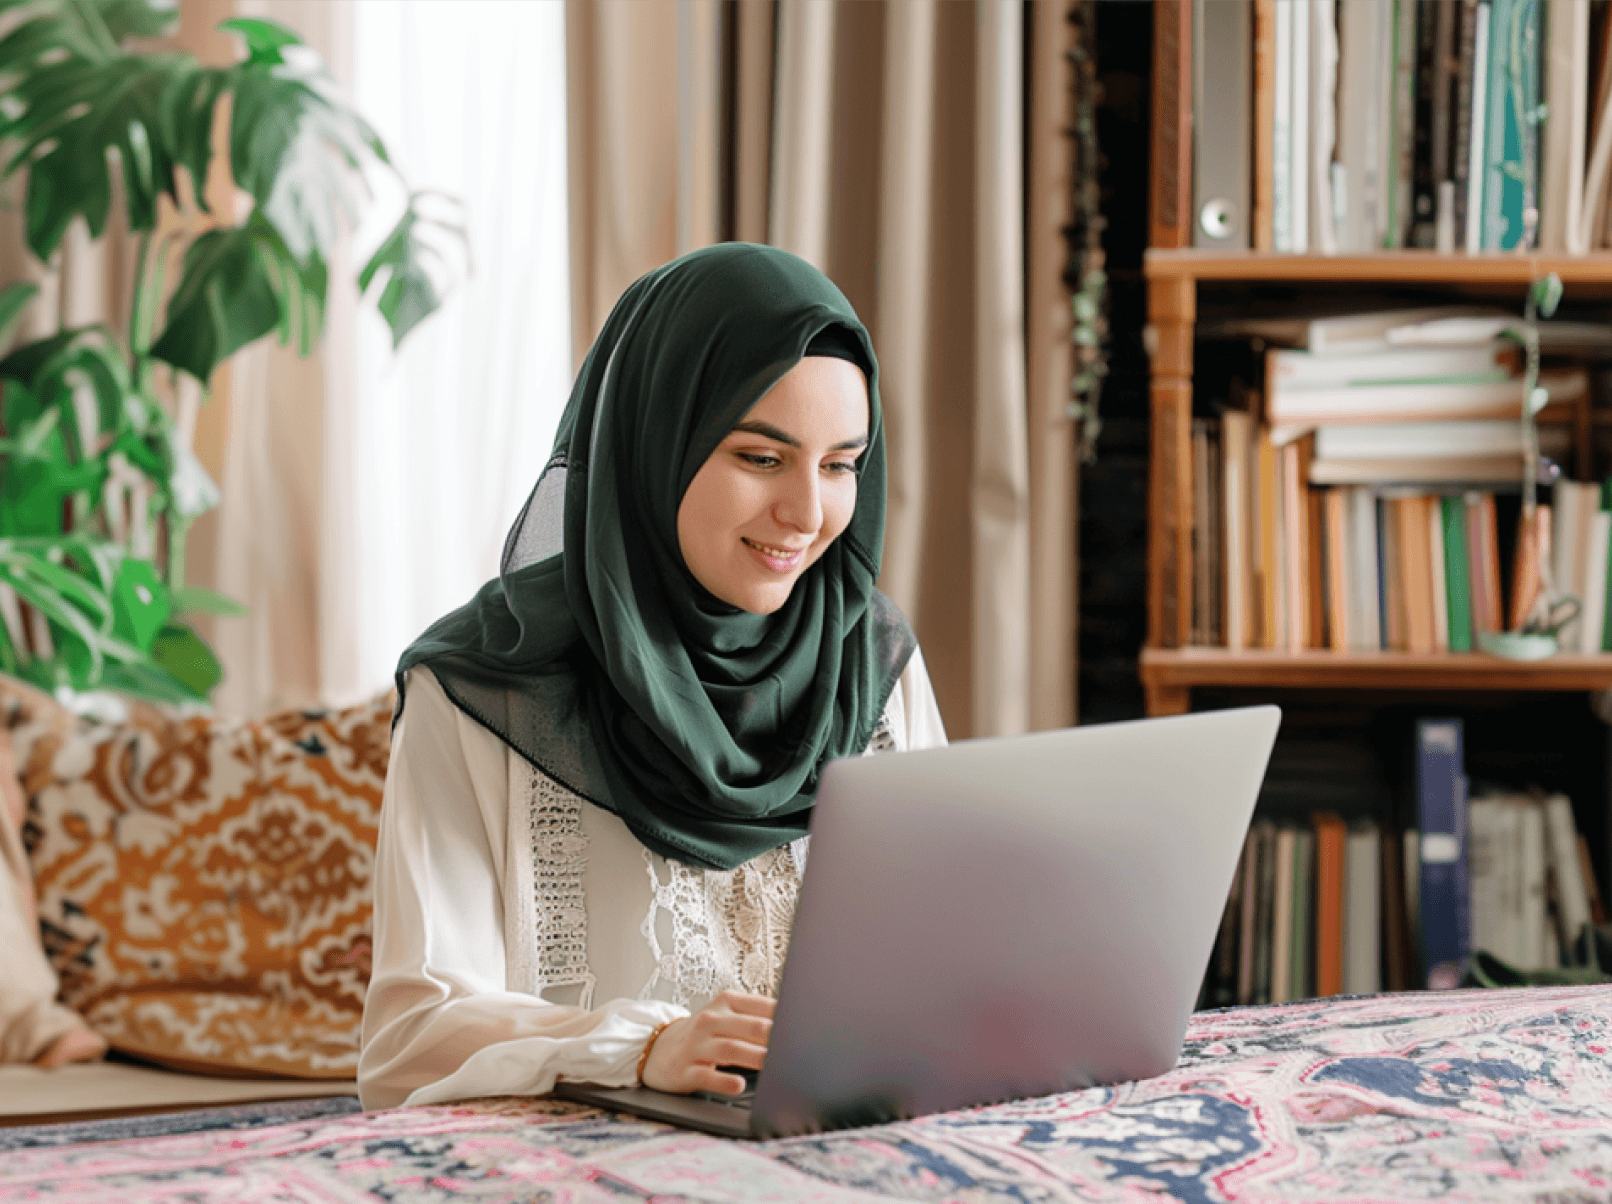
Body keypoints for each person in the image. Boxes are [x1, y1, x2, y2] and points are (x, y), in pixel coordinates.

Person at [358, 243, 947, 1111]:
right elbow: (408, 1042)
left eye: (840, 465)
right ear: (653, 442)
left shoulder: (871, 667)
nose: (808, 514)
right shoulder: (482, 688)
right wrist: (641, 1048)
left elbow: (947, 950)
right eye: (760, 457)